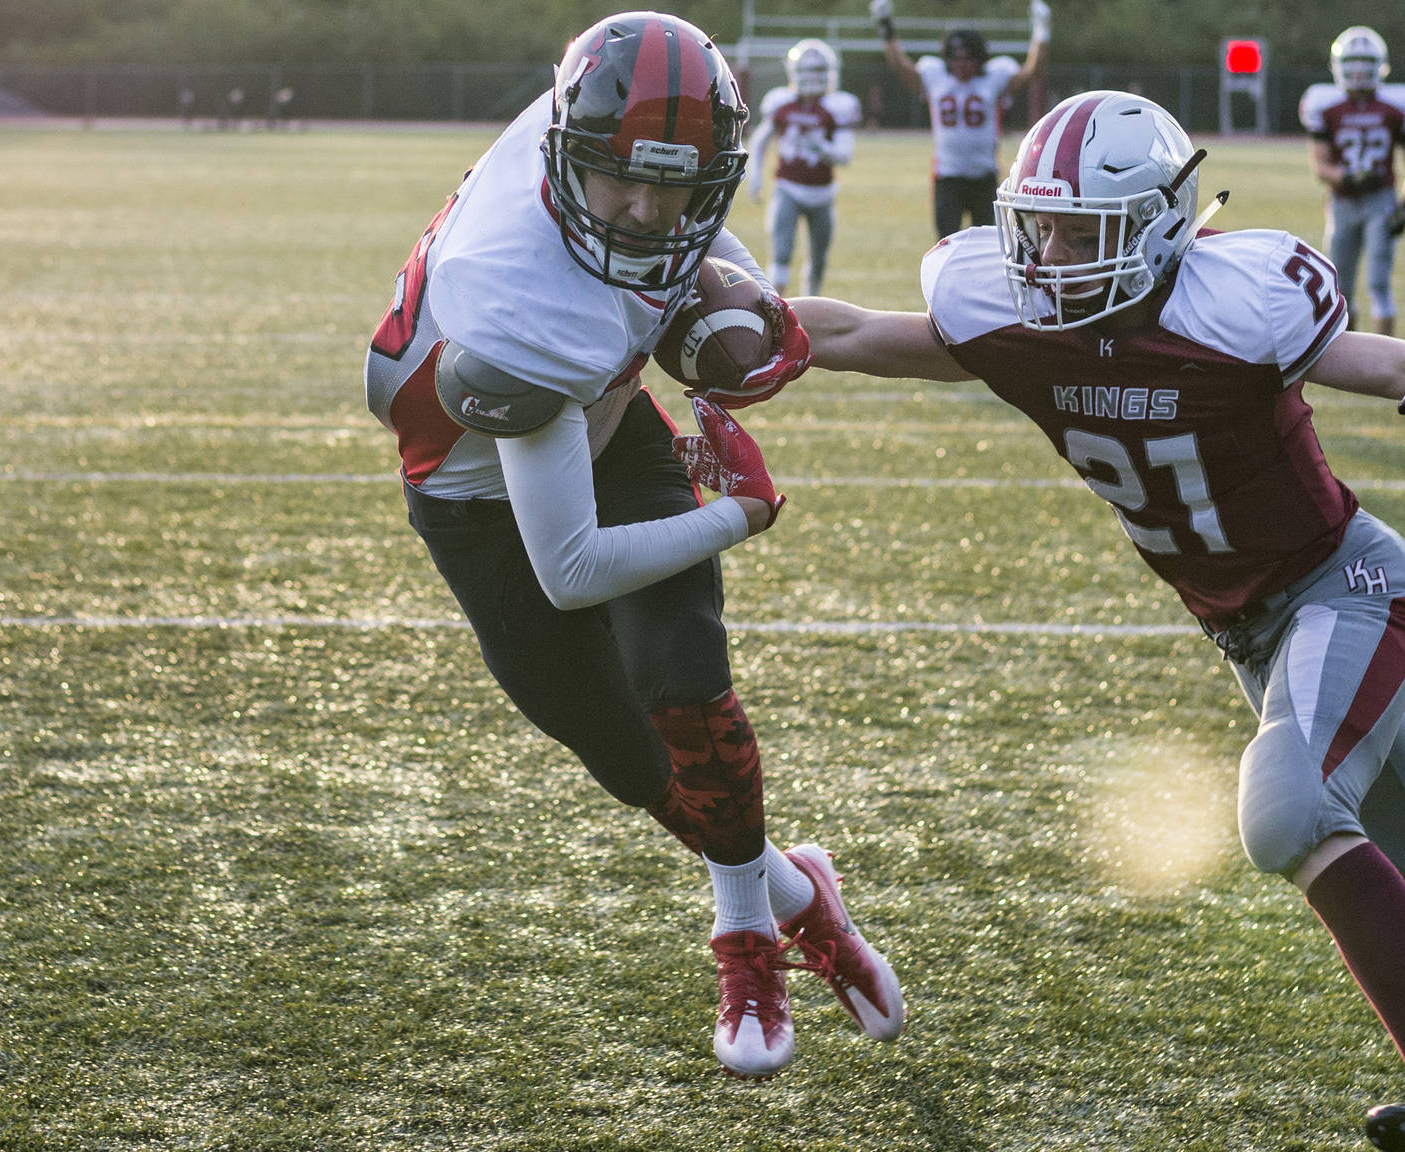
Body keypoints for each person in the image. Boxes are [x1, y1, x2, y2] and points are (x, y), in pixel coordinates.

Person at [789, 91, 1405, 1151]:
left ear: (1158, 226)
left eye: (1080, 231)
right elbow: (854, 329)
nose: (1048, 254)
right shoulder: (1009, 320)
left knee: (1287, 810)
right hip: (1249, 628)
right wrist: (734, 319)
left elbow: (1391, 353)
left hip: (1346, 588)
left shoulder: (1236, 305)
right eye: (1037, 226)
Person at [360, 10, 903, 1082]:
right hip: (474, 495)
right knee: (624, 758)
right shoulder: (514, 293)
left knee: (681, 681)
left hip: (603, 430)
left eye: (677, 189)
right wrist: (738, 511)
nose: (649, 211)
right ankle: (797, 895)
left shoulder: (629, 151)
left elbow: (688, 229)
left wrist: (746, 294)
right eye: (623, 183)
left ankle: (745, 934)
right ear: (569, 153)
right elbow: (567, 573)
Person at [871, 0, 1050, 239]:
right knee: (946, 245)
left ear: (980, 59)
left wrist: (1042, 30)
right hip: (948, 177)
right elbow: (899, 64)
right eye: (956, 59)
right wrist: (885, 26)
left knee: (987, 244)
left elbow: (1031, 70)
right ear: (947, 59)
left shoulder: (994, 77)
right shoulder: (935, 75)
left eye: (968, 59)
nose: (962, 65)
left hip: (984, 176)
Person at [1299, 26, 1405, 336]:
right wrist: (1349, 176)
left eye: (1364, 65)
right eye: (1352, 65)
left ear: (1378, 66)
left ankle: (1386, 357)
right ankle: (1352, 356)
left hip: (1381, 201)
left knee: (1379, 285)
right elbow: (1319, 168)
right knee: (1340, 288)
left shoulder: (1396, 105)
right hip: (1342, 202)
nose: (1357, 74)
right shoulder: (1325, 105)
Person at [745, 39, 862, 296]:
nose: (811, 78)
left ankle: (811, 310)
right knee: (781, 254)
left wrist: (821, 147)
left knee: (818, 262)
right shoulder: (781, 103)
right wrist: (754, 177)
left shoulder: (836, 107)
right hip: (787, 187)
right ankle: (775, 310)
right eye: (807, 71)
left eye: (816, 71)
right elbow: (759, 140)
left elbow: (845, 156)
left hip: (822, 194)